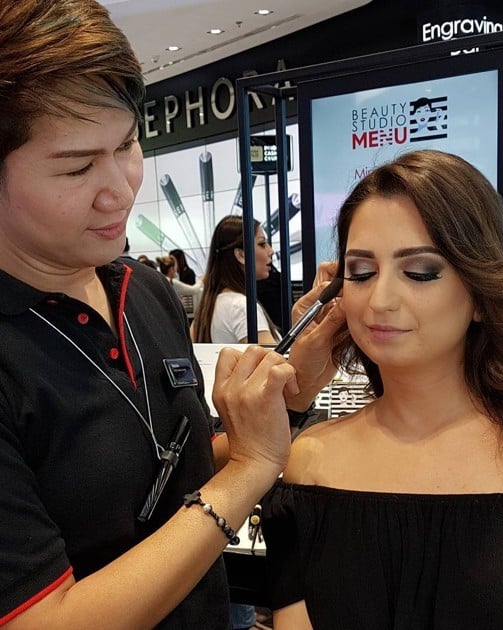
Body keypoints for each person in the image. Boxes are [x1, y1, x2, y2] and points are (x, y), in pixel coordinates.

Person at [0, 2, 335, 627]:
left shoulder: (144, 290)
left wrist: (284, 403)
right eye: (77, 166)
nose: (122, 189)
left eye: (127, 144)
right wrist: (248, 475)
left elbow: (181, 469)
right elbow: (43, 619)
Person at [260, 150, 503, 629]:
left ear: (481, 293)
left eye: (420, 272)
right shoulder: (312, 461)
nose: (380, 300)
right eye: (361, 273)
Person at [192, 215, 279, 345]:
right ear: (241, 255)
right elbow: (271, 357)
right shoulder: (242, 307)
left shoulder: (209, 305)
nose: (271, 251)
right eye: (262, 244)